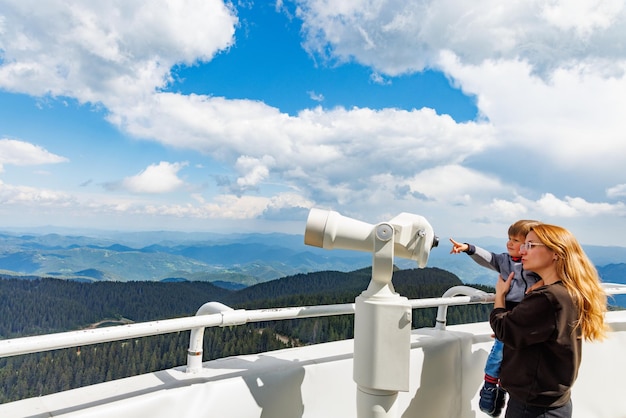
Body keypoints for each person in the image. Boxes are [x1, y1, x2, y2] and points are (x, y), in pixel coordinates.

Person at [490, 223, 607, 418]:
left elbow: (504, 329)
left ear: (555, 253)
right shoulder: (568, 291)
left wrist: (500, 296)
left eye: (530, 245)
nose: (522, 250)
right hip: (553, 403)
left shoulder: (547, 298)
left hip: (533, 407)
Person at [450, 220, 543, 417]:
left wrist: (540, 283)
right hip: (508, 312)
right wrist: (469, 248)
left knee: (516, 356)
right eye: (509, 238)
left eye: (516, 240)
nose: (509, 243)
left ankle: (503, 386)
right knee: (499, 352)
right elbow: (488, 258)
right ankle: (491, 387)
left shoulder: (537, 264)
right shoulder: (505, 261)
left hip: (528, 313)